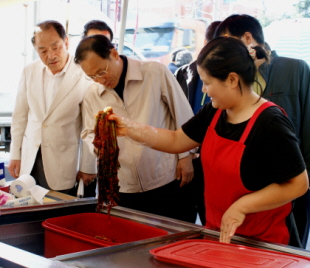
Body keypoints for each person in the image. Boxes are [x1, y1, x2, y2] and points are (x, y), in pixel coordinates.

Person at [109, 37, 309, 245]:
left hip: (264, 243)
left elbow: (298, 184)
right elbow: (176, 140)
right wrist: (130, 129)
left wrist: (242, 206)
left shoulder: (270, 122)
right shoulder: (214, 111)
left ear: (232, 80)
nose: (203, 90)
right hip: (219, 235)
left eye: (207, 83)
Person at [74, 35, 197, 222]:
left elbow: (182, 113)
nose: (99, 80)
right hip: (124, 186)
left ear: (114, 54)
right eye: (91, 77)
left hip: (166, 177)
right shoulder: (93, 93)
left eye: (101, 72)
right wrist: (96, 147)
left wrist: (186, 156)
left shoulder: (154, 73)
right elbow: (88, 132)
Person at [214, 14, 310, 248]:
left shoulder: (294, 68)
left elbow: (307, 121)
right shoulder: (230, 78)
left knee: (288, 247)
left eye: (230, 42)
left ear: (248, 37)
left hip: (291, 178)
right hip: (246, 184)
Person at [7, 20, 95, 196]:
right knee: (28, 209)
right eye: (43, 51)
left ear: (67, 42)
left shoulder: (84, 74)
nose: (51, 55)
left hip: (63, 162)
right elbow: (20, 116)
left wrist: (88, 166)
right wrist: (15, 155)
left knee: (58, 211)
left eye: (56, 47)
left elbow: (90, 126)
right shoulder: (29, 71)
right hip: (30, 158)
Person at [174, 20, 221, 226]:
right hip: (190, 156)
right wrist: (184, 156)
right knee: (184, 217)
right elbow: (174, 128)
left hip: (216, 160)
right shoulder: (183, 73)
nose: (205, 89)